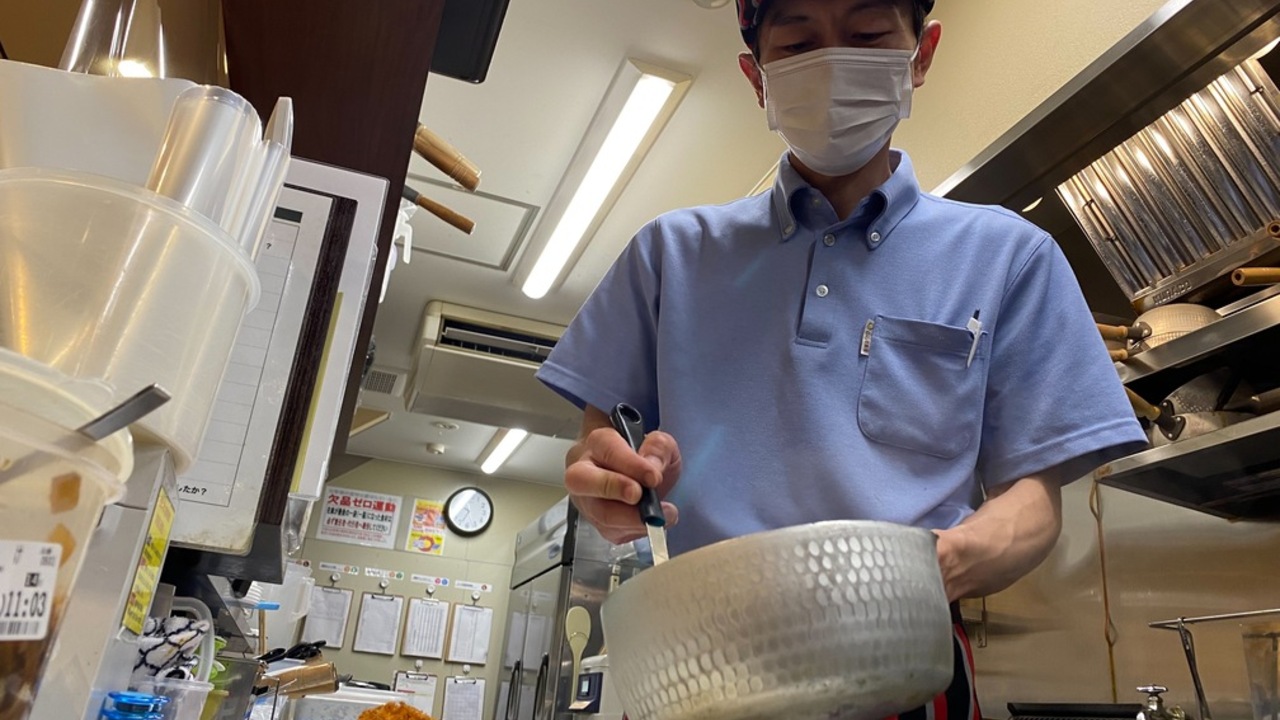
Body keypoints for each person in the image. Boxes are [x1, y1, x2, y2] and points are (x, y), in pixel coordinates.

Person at [536, 0, 1147, 717]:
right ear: (756, 77)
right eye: (797, 44)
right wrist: (611, 487)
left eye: (866, 35)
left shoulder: (1010, 258)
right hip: (703, 665)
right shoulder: (669, 256)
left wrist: (929, 567)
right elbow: (598, 450)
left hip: (904, 662)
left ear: (921, 55)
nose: (831, 64)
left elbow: (1034, 501)